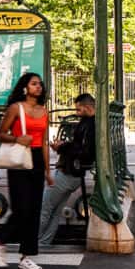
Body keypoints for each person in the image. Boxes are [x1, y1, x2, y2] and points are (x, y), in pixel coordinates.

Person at [0, 73, 53, 269]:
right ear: (25, 88)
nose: (38, 87)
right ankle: (0, 242)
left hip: (36, 160)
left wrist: (48, 171)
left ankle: (26, 257)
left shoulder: (44, 111)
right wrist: (17, 139)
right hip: (19, 159)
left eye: (39, 84)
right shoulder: (16, 108)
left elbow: (43, 142)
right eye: (34, 84)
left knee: (34, 210)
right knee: (21, 208)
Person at [38, 93, 96, 246]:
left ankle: (31, 242)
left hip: (69, 173)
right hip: (72, 173)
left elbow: (85, 152)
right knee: (55, 210)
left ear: (88, 107)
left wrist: (62, 146)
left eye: (79, 110)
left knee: (44, 207)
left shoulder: (91, 126)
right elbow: (79, 147)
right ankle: (43, 242)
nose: (76, 113)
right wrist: (64, 145)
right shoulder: (89, 123)